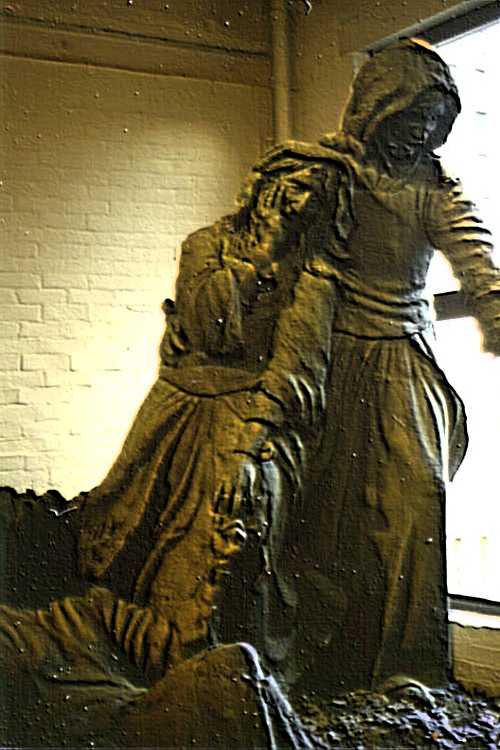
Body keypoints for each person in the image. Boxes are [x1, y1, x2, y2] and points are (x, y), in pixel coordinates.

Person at [75, 38, 499, 699]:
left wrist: (493, 308)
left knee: (414, 504)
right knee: (317, 524)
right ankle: (324, 673)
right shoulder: (327, 170)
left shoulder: (435, 192)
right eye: (411, 116)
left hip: (400, 365)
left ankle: (410, 670)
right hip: (327, 357)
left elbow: (477, 259)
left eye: (432, 122)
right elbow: (276, 248)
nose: (419, 133)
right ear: (379, 107)